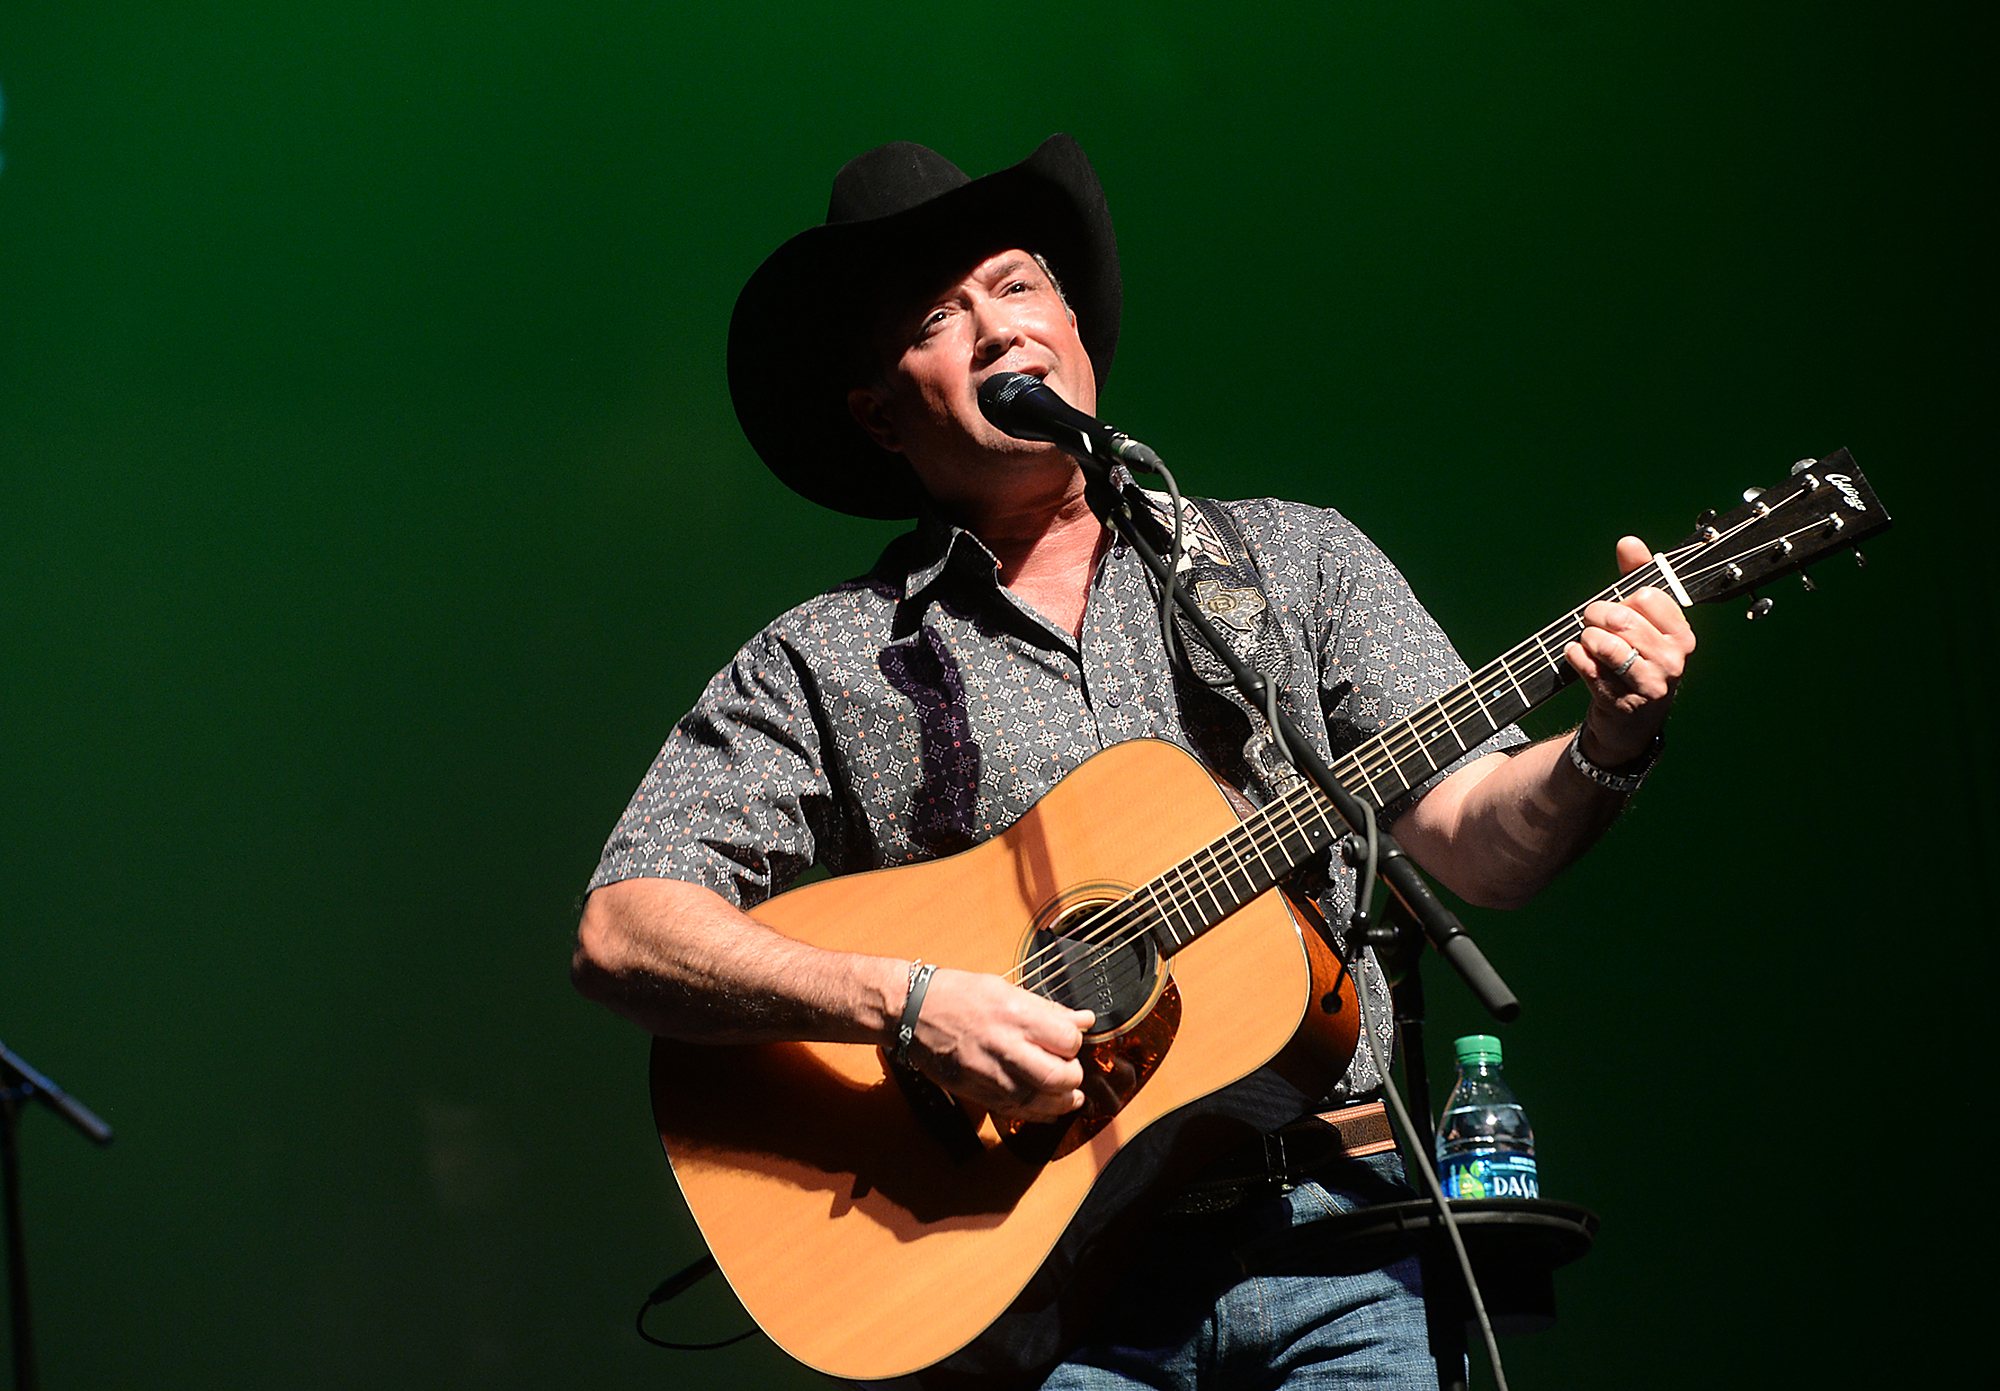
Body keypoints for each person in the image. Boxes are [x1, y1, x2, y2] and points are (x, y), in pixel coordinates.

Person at [572, 135, 1694, 1388]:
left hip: (1339, 1241)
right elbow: (627, 926)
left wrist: (1604, 741)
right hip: (1035, 1295)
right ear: (876, 415)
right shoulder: (823, 660)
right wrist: (911, 1004)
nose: (996, 330)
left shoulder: (1293, 563)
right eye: (939, 317)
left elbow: (1475, 840)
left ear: (1073, 327)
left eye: (1014, 285)